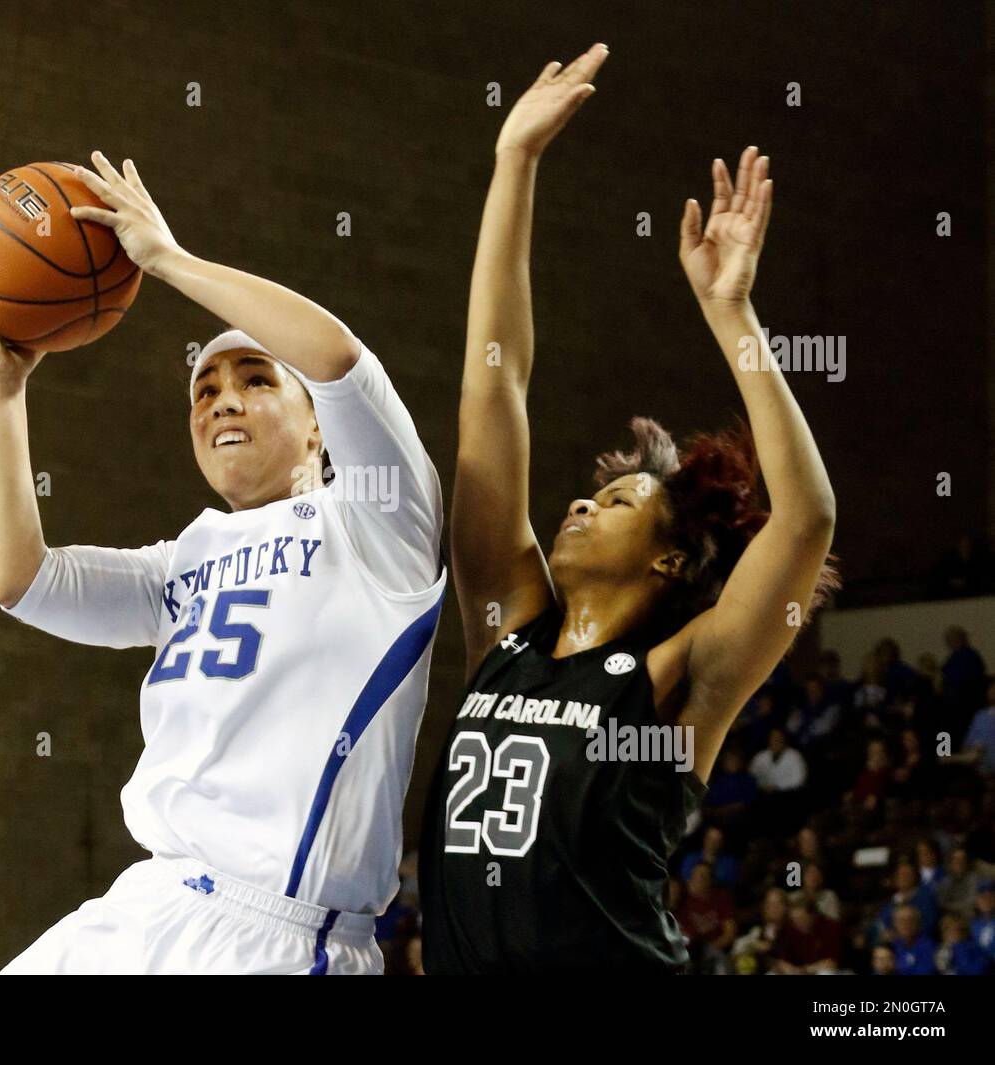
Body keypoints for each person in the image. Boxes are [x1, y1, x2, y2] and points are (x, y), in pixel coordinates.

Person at [0, 150, 446, 974]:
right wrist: (4, 391)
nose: (222, 398)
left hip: (279, 934)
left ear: (318, 428)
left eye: (256, 379)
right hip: (147, 903)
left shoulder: (377, 519)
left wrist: (169, 261)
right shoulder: (181, 560)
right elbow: (18, 578)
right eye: (205, 388)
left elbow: (338, 362)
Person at [418, 44, 837, 973]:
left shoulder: (682, 679)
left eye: (616, 500)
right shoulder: (505, 633)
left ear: (671, 561)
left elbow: (805, 521)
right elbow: (495, 392)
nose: (579, 499)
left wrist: (734, 315)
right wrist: (513, 165)